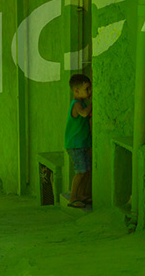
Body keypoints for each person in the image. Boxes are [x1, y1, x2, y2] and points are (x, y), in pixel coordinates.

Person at [65, 73, 92, 208]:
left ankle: (81, 195)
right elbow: (84, 113)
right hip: (75, 145)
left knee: (86, 171)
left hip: (83, 143)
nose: (90, 92)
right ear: (76, 91)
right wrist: (92, 104)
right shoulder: (76, 104)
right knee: (80, 172)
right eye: (87, 89)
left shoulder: (81, 103)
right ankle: (73, 198)